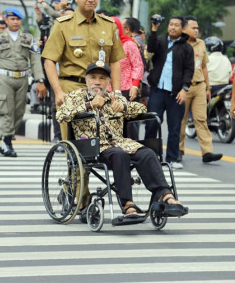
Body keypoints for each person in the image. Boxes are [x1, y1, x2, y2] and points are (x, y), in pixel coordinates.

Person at [56, 61, 188, 217]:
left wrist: (123, 107)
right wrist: (89, 105)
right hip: (94, 146)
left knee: (148, 154)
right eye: (93, 77)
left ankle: (165, 195)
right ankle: (127, 204)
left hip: (121, 143)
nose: (97, 82)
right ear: (86, 80)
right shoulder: (76, 96)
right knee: (120, 155)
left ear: (109, 82)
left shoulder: (113, 97)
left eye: (102, 78)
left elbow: (142, 109)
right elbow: (61, 115)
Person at [42, 0, 126, 139]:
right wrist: (58, 92)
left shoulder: (108, 25)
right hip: (72, 91)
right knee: (75, 144)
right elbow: (49, 61)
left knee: (102, 141)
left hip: (100, 92)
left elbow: (115, 61)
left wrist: (116, 91)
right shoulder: (63, 25)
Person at [0, 8, 47, 157]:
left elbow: (36, 60)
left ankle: (6, 139)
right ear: (6, 20)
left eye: (18, 19)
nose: (15, 22)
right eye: (12, 19)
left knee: (19, 111)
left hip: (23, 79)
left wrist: (40, 80)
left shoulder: (28, 38)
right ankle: (6, 142)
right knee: (6, 110)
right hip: (5, 78)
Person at [144, 15, 195, 170]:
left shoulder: (187, 48)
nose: (172, 27)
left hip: (176, 93)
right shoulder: (160, 41)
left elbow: (189, 70)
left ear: (183, 29)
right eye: (171, 24)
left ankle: (172, 158)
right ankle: (149, 156)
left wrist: (184, 89)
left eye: (176, 25)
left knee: (174, 127)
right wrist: (153, 29)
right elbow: (151, 48)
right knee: (152, 123)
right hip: (157, 90)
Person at [179, 17, 222, 164]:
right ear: (184, 29)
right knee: (181, 120)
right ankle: (178, 150)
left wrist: (208, 87)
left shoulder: (202, 44)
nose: (196, 30)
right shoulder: (180, 44)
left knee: (201, 119)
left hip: (199, 86)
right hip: (183, 87)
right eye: (193, 28)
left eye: (197, 28)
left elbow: (204, 67)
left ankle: (207, 152)